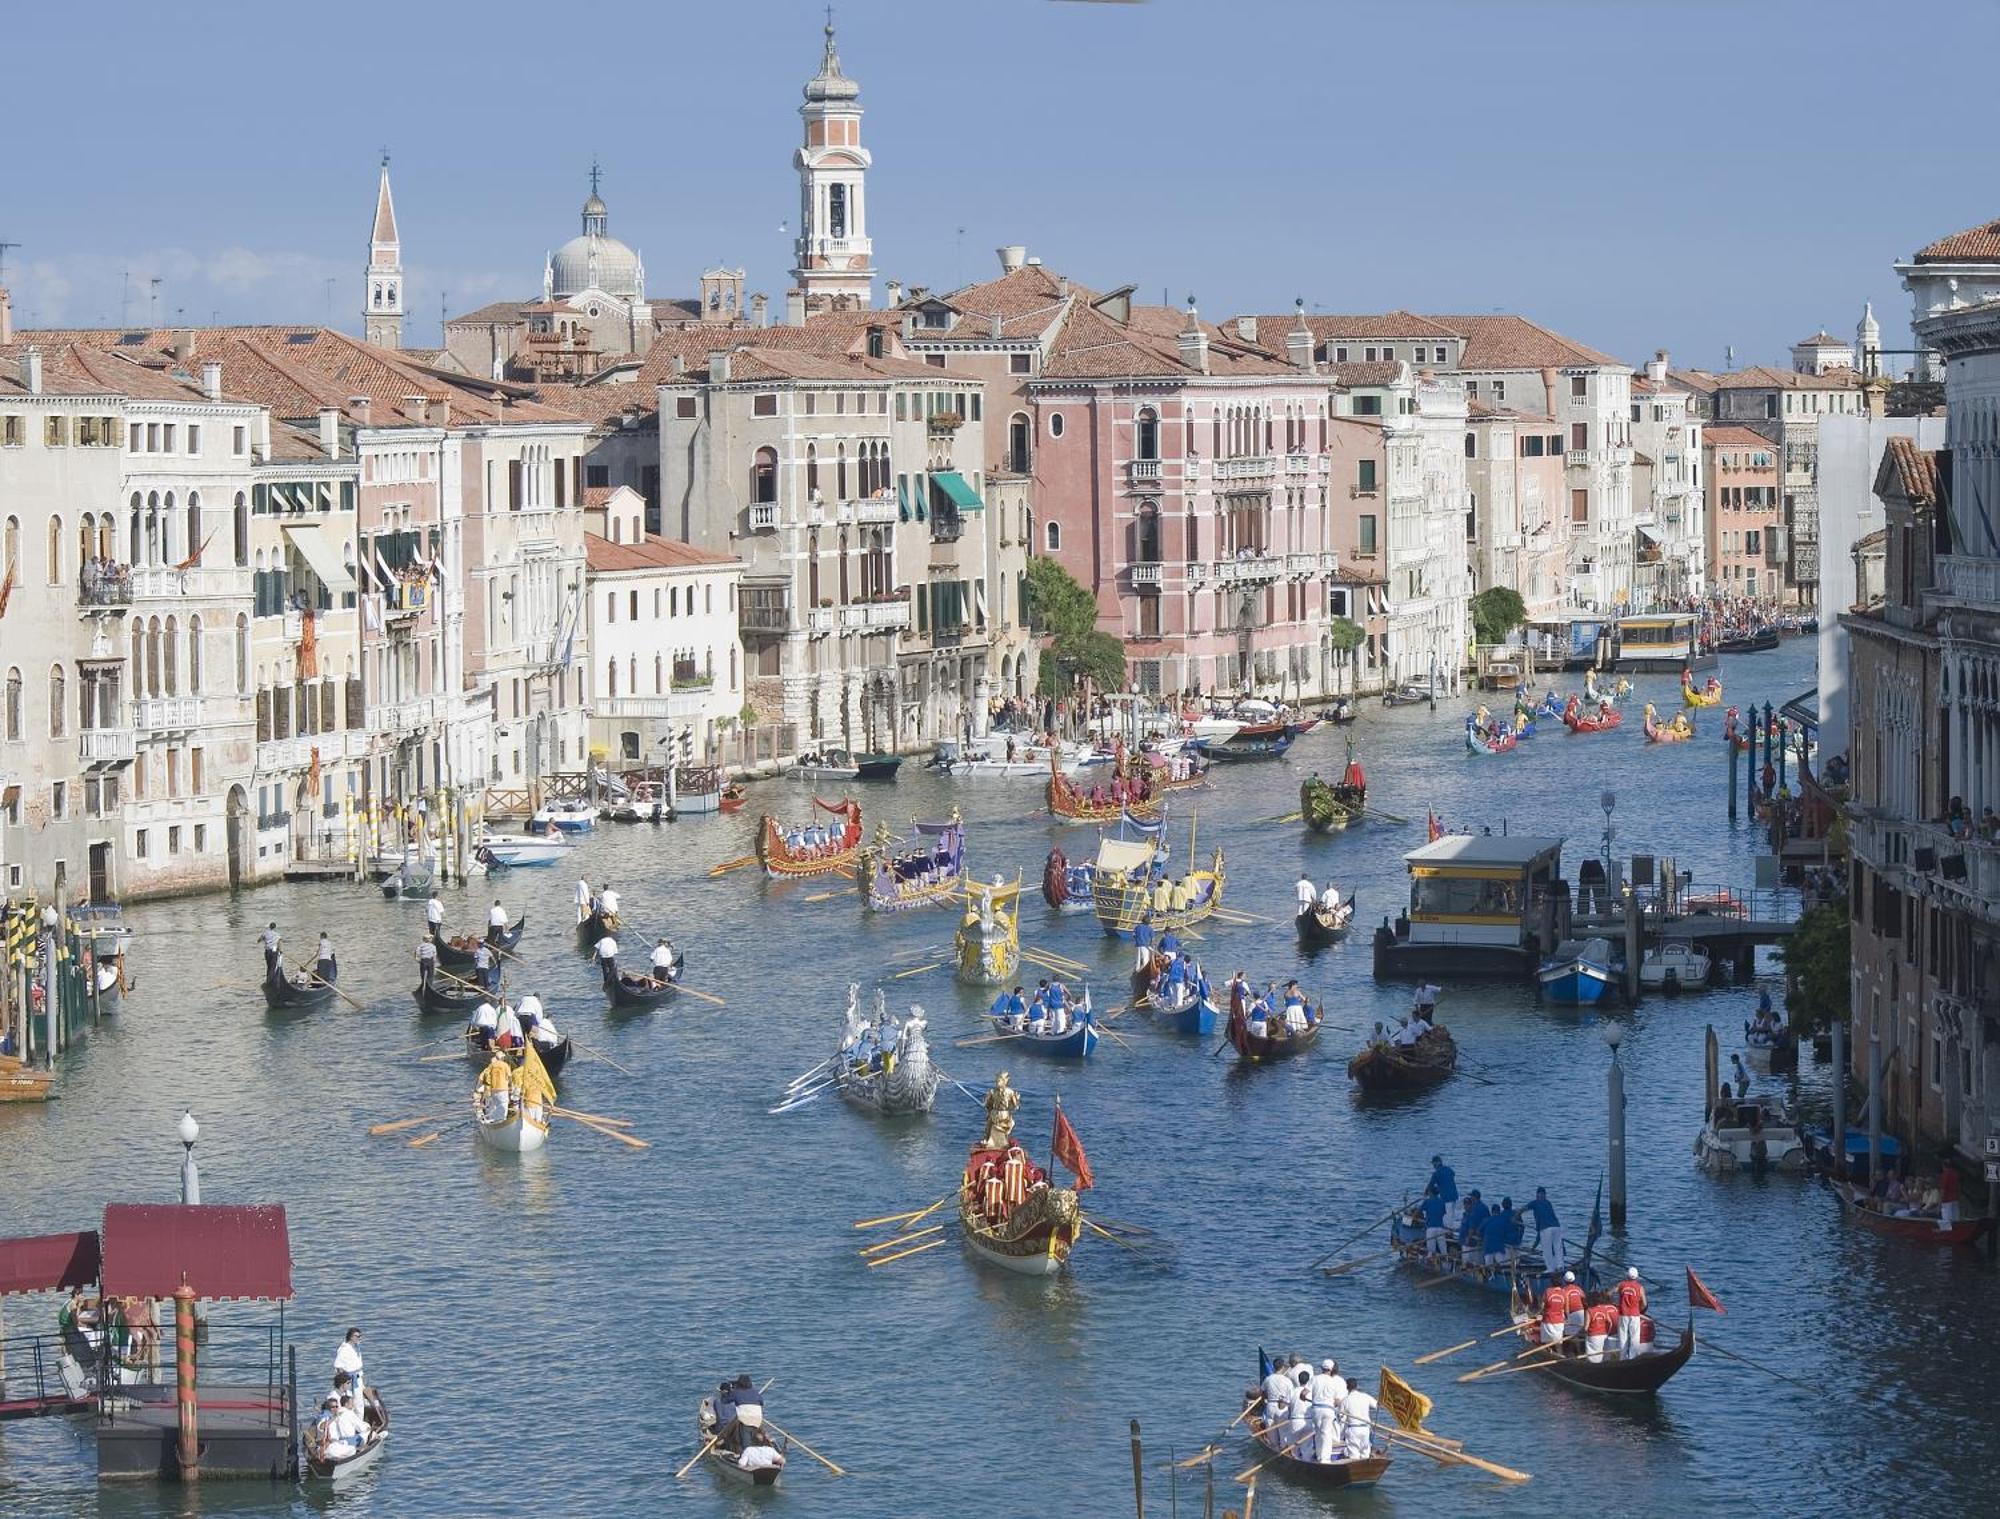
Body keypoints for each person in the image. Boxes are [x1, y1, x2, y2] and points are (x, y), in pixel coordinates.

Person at [1307, 1359, 1347, 1463]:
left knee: (1318, 1433)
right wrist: (1330, 1404)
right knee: (1327, 1434)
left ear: (1322, 1368)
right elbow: (1338, 1401)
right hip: (1328, 1410)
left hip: (1316, 1410)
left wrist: (1305, 1398)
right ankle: (1325, 1459)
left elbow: (1303, 1394)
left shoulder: (1314, 1379)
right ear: (1332, 1369)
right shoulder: (1333, 1381)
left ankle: (1320, 1456)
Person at [1614, 1267, 1648, 1359]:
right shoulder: (1640, 1287)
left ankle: (1623, 1358)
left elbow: (1610, 1292)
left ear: (1627, 1275)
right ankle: (1632, 1358)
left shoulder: (1621, 1284)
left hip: (1623, 1315)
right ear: (1637, 1277)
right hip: (1635, 1315)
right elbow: (1644, 1303)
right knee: (1634, 1338)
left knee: (1623, 1337)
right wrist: (1639, 1310)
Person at [1525, 1187, 1562, 1269]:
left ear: (1537, 1195)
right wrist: (1534, 1247)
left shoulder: (1535, 1203)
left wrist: (1515, 1217)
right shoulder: (1548, 1203)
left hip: (1546, 1228)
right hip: (1557, 1227)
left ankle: (1550, 1269)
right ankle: (1560, 1266)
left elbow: (1523, 1209)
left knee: (1547, 1250)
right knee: (1558, 1248)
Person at [1340, 1381, 1377, 1461]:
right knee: (1365, 1453)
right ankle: (1366, 1469)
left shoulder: (1345, 1400)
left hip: (1353, 1429)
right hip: (1365, 1428)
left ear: (1347, 1388)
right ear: (1357, 1386)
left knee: (1354, 1455)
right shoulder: (1365, 1396)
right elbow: (1376, 1405)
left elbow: (1340, 1416)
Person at [477, 1050, 513, 1120]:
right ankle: (502, 1120)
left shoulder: (491, 1066)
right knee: (503, 1105)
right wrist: (511, 1086)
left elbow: (485, 1077)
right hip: (503, 1089)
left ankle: (493, 1119)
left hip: (493, 1089)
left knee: (494, 1105)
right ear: (502, 1058)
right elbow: (509, 1077)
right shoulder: (505, 1065)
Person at [1480, 1197, 1516, 1268]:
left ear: (1492, 1212)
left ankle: (1489, 1274)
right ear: (1499, 1212)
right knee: (1503, 1264)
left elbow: (1479, 1231)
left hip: (1488, 1247)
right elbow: (1508, 1233)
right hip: (1498, 1247)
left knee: (1488, 1265)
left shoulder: (1486, 1220)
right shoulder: (1503, 1220)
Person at [1583, 1294, 1619, 1363]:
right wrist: (1607, 1333)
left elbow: (1586, 1328)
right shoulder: (1603, 1309)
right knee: (1604, 1354)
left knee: (1593, 1357)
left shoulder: (1589, 1311)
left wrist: (1579, 1333)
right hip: (1604, 1335)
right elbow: (1610, 1322)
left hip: (1593, 1337)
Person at [333, 1328, 365, 1400]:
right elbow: (338, 1366)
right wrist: (343, 1382)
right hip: (349, 1379)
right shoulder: (344, 1349)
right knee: (352, 1399)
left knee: (359, 1400)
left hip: (358, 1377)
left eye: (360, 1336)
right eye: (357, 1336)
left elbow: (358, 1366)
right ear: (351, 1337)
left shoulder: (356, 1347)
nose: (360, 1338)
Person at [1417, 1184, 1447, 1258]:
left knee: (1431, 1249)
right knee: (1443, 1247)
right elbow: (1443, 1213)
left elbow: (1418, 1211)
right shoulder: (1442, 1201)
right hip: (1440, 1227)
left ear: (1431, 1193)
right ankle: (1446, 1259)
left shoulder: (1427, 1201)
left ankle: (1431, 1260)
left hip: (1431, 1228)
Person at [1429, 1155, 1459, 1231]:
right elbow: (1451, 1176)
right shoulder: (1449, 1169)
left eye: (1433, 1164)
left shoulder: (1436, 1173)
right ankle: (1450, 1227)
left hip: (1446, 1197)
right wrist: (1441, 1186)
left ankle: (1448, 1231)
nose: (1433, 1166)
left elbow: (1430, 1185)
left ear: (1437, 1163)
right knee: (1451, 1214)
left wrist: (1425, 1194)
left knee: (1448, 1214)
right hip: (1454, 1195)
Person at [1539, 1276, 1570, 1346]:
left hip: (1547, 1322)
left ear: (1552, 1283)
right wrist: (1567, 1319)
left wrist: (1540, 1314)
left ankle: (1548, 1349)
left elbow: (1542, 1307)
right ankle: (1560, 1351)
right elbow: (1567, 1309)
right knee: (1559, 1344)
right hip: (1559, 1323)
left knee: (1546, 1343)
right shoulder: (1564, 1293)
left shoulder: (1547, 1291)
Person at [1939, 1161, 1961, 1229]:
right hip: (1955, 1198)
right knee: (1955, 1217)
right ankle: (1956, 1230)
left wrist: (1941, 1199)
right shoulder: (1956, 1174)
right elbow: (1959, 1186)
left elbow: (1943, 1188)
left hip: (1947, 1199)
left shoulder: (1945, 1174)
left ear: (1943, 1166)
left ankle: (1946, 1231)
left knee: (1946, 1218)